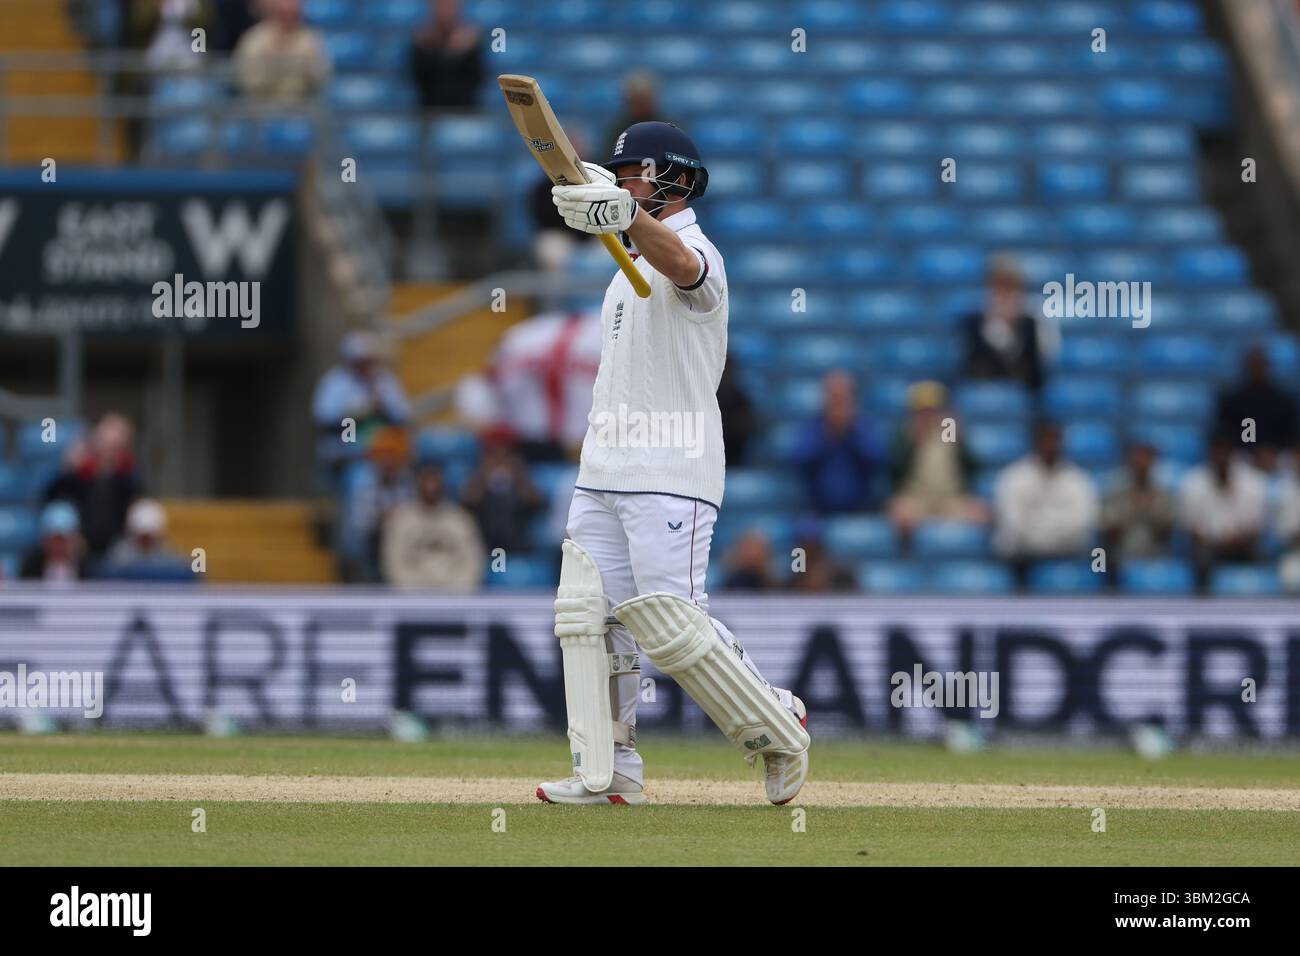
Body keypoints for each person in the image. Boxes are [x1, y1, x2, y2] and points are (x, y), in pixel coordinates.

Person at [536, 121, 810, 807]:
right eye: (620, 175)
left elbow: (683, 271)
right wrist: (622, 217)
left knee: (670, 623)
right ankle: (611, 766)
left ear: (673, 179)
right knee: (589, 617)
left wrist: (626, 214)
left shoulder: (699, 253)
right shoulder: (623, 268)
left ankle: (777, 724)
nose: (622, 182)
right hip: (605, 467)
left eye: (632, 173)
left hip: (671, 468)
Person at [993, 421, 1100, 579]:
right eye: (1046, 440)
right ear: (1036, 443)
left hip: (1069, 553)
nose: (1051, 445)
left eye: (1055, 440)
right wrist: (1046, 536)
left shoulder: (1079, 480)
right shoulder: (1013, 477)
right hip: (1022, 557)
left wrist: (1046, 531)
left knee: (1096, 554)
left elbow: (1083, 521)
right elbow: (1013, 521)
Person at [886, 380, 987, 546]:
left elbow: (973, 465)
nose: (928, 415)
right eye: (923, 411)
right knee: (901, 516)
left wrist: (959, 441)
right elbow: (894, 470)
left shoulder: (949, 431)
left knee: (982, 514)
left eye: (933, 410)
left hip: (951, 499)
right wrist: (913, 443)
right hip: (916, 499)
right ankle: (907, 560)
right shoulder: (906, 433)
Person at [312, 331, 411, 485]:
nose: (366, 366)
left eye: (369, 361)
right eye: (361, 361)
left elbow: (403, 417)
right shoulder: (336, 382)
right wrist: (358, 414)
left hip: (382, 447)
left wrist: (381, 408)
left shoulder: (385, 380)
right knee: (361, 475)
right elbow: (323, 419)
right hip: (346, 442)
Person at [44, 412, 142, 559]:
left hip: (117, 547)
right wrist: (67, 470)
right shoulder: (77, 476)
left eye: (116, 447)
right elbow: (51, 498)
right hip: (80, 545)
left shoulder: (129, 479)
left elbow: (132, 511)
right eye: (106, 445)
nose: (109, 453)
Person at [1178, 432, 1268, 591]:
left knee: (1264, 560)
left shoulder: (1252, 482)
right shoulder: (1193, 482)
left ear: (1233, 453)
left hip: (1242, 547)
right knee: (1201, 560)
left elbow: (1255, 529)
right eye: (1216, 451)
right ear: (1209, 453)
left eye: (1224, 451)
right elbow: (1192, 530)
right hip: (1210, 548)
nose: (1220, 456)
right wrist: (1215, 542)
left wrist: (1236, 541)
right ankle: (1202, 607)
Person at [790, 370, 885, 514]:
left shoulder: (864, 427)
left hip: (861, 510)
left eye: (843, 399)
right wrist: (827, 435)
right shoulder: (813, 427)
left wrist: (852, 432)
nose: (838, 405)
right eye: (834, 398)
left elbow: (878, 459)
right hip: (818, 511)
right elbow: (798, 460)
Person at [382, 459, 485, 590]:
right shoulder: (400, 519)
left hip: (455, 597)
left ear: (443, 483)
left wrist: (456, 593)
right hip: (411, 598)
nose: (430, 486)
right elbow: (393, 562)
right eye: (426, 480)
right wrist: (415, 593)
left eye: (435, 480)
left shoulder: (461, 519)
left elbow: (473, 561)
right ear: (417, 483)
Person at [962, 255, 1046, 392]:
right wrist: (995, 328)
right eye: (998, 288)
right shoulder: (973, 323)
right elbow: (970, 367)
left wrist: (1014, 328)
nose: (1003, 295)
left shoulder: (1033, 323)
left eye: (1009, 288)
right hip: (982, 395)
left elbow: (1039, 368)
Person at [459, 431, 545, 554]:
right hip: (484, 544)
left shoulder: (519, 476)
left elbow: (536, 504)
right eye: (494, 454)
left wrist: (518, 477)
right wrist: (483, 475)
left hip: (516, 545)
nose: (500, 459)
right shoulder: (480, 475)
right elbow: (467, 504)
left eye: (505, 454)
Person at [233, 0, 330, 102]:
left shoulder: (311, 39)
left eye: (293, 11)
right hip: (261, 106)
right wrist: (269, 64)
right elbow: (245, 80)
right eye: (284, 11)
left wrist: (310, 65)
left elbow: (322, 78)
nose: (288, 15)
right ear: (274, 12)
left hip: (301, 106)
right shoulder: (255, 38)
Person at [1214, 345, 1298, 462]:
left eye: (1260, 365)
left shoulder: (1283, 402)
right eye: (1253, 366)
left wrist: (1272, 451)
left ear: (1267, 367)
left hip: (1278, 457)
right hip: (1244, 457)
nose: (1257, 370)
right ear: (1246, 368)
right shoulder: (1232, 401)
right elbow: (1226, 434)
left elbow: (1291, 435)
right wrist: (1253, 452)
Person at [1101, 443, 1175, 560]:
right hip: (1120, 554)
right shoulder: (1115, 490)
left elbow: (1168, 532)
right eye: (1139, 458)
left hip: (1154, 554)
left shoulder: (1163, 493)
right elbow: (1107, 529)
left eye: (1147, 458)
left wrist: (1151, 511)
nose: (1142, 463)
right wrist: (1131, 511)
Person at [409, 0, 483, 110]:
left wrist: (465, 51)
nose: (445, 11)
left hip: (465, 109)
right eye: (441, 6)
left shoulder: (471, 40)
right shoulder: (423, 39)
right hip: (429, 110)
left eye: (449, 6)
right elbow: (416, 77)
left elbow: (479, 77)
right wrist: (430, 49)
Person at [100, 499, 191, 579]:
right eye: (142, 537)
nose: (146, 542)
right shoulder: (118, 556)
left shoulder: (170, 558)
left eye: (150, 537)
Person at [20, 501, 89, 583]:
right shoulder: (31, 568)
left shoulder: (88, 569)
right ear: (44, 540)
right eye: (54, 540)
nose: (58, 546)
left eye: (62, 540)